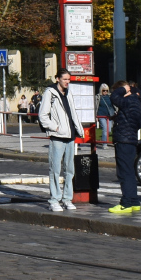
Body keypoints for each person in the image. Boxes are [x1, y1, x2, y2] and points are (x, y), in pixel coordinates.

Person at [38, 68, 83, 211]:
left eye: (69, 79)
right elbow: (42, 115)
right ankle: (54, 200)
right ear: (57, 79)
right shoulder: (50, 93)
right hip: (58, 136)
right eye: (65, 79)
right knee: (55, 169)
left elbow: (73, 112)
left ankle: (67, 199)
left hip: (70, 135)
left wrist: (79, 129)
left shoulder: (68, 92)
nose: (67, 82)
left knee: (70, 170)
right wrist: (55, 128)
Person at [108, 80, 141, 214]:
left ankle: (126, 203)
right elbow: (138, 123)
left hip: (123, 139)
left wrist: (123, 89)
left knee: (124, 173)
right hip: (132, 139)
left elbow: (113, 97)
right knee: (129, 171)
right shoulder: (137, 102)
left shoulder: (127, 100)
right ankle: (134, 201)